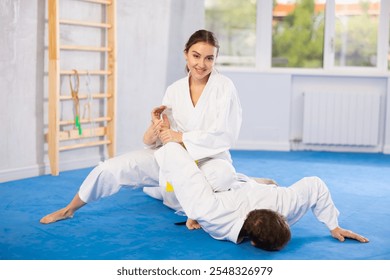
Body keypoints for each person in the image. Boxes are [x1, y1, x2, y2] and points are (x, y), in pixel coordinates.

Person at [39, 29, 242, 225]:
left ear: (215, 59)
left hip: (209, 158)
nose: (201, 64)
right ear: (186, 54)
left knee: (223, 177)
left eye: (209, 58)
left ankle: (185, 201)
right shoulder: (174, 90)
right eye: (196, 56)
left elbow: (225, 134)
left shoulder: (224, 87)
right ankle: (69, 209)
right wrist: (153, 131)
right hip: (173, 157)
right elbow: (162, 137)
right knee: (109, 168)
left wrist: (180, 137)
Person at [154, 142, 369, 251]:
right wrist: (333, 225)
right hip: (228, 182)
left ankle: (257, 183)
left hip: (230, 189)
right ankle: (256, 183)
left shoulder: (215, 215)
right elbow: (315, 185)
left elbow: (315, 184)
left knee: (171, 194)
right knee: (218, 175)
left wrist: (334, 224)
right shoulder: (285, 203)